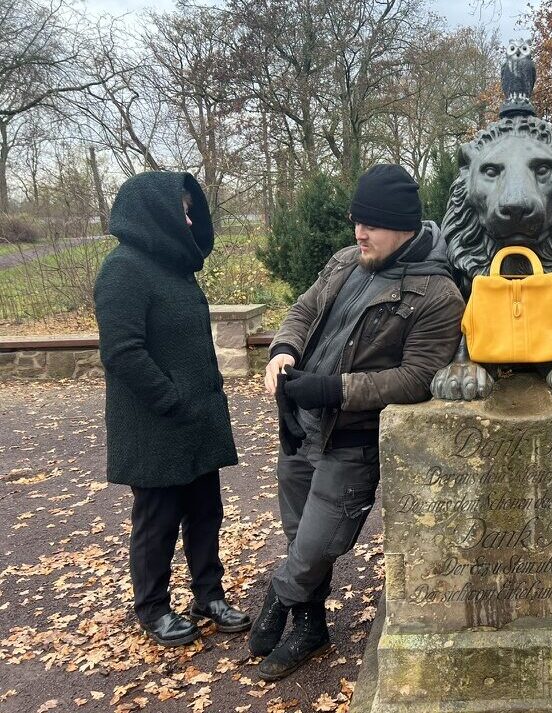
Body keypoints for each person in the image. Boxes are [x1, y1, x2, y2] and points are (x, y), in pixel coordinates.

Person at [251, 164, 464, 680]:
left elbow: (419, 378)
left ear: (405, 227)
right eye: (356, 220)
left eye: (371, 223)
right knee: (300, 533)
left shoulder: (439, 293)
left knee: (320, 542)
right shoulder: (348, 261)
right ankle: (310, 628)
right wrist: (284, 350)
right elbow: (303, 309)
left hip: (353, 441)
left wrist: (335, 389)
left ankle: (280, 596)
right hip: (301, 424)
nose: (358, 233)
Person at [94, 172, 250, 647]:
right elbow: (122, 351)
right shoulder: (123, 268)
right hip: (155, 424)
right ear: (154, 212)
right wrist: (170, 400)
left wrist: (196, 404)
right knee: (157, 521)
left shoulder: (177, 269)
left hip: (197, 420)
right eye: (180, 209)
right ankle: (153, 608)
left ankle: (208, 594)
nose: (188, 217)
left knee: (206, 512)